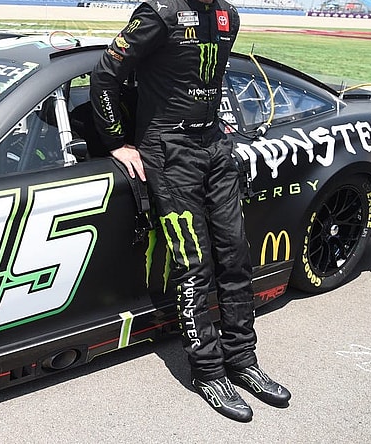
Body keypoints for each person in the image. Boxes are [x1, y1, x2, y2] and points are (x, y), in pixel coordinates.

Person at [90, 0, 290, 422]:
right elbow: (106, 75)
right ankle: (208, 371)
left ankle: (242, 360)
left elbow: (215, 80)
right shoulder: (158, 12)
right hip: (168, 149)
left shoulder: (228, 15)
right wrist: (116, 141)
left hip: (214, 146)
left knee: (235, 255)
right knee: (193, 264)